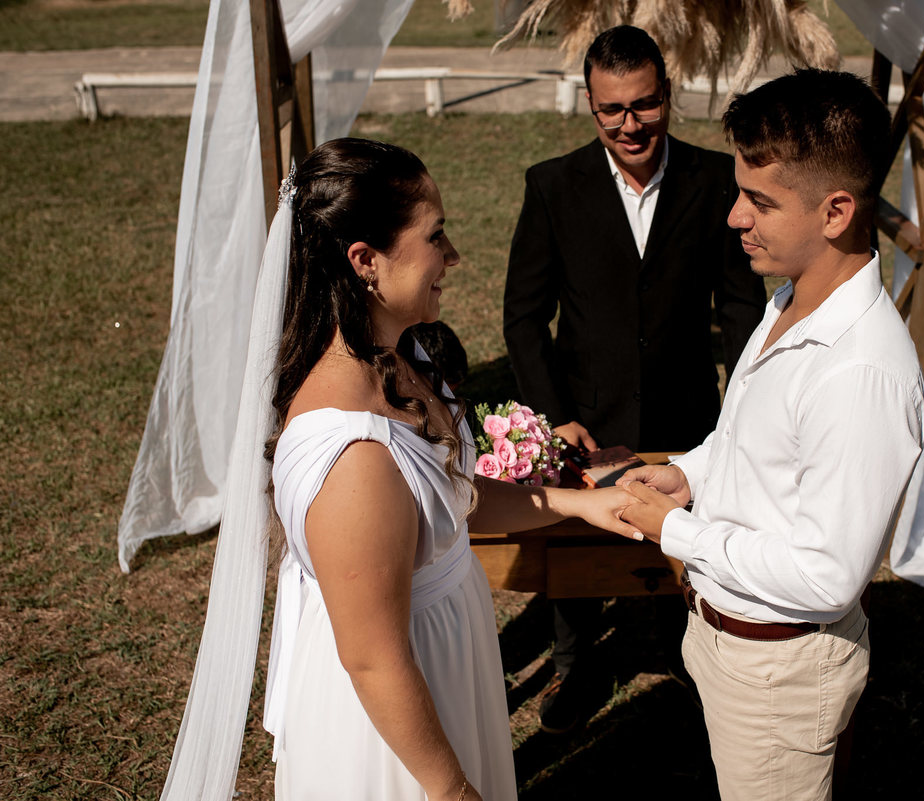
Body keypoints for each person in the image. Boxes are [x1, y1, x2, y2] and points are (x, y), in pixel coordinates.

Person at [160, 138, 640, 801]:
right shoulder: (353, 457)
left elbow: (449, 499)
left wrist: (579, 504)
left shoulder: (398, 359)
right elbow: (373, 658)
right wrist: (452, 790)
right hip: (396, 713)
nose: (453, 256)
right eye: (435, 236)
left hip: (444, 658)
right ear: (365, 261)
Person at [612, 70, 924, 801]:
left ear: (835, 211)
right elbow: (750, 436)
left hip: (778, 673)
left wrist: (677, 531)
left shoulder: (859, 373)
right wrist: (690, 474)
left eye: (760, 201)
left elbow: (826, 576)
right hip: (730, 640)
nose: (735, 217)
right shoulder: (790, 297)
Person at [502, 25, 766, 732]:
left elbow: (741, 306)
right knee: (575, 551)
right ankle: (575, 662)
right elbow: (524, 317)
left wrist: (743, 406)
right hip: (585, 418)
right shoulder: (552, 186)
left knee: (685, 543)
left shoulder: (716, 180)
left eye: (644, 105)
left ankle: (687, 653)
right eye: (611, 109)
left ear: (667, 95)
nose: (630, 124)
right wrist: (553, 415)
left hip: (689, 412)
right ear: (590, 104)